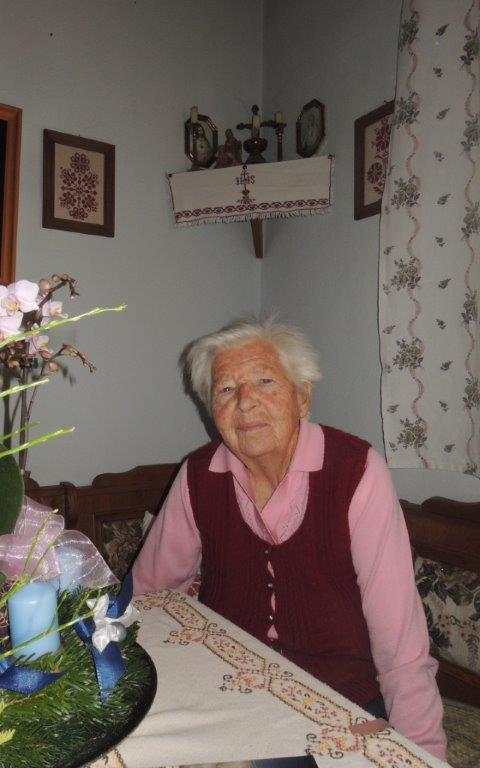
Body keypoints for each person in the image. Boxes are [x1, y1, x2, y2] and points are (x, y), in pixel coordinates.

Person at [132, 319, 446, 762]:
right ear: (212, 410)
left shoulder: (355, 471)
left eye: (265, 381)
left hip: (340, 698)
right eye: (226, 390)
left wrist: (422, 753)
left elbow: (400, 639)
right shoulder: (198, 475)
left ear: (302, 397)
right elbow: (150, 595)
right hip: (230, 690)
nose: (245, 401)